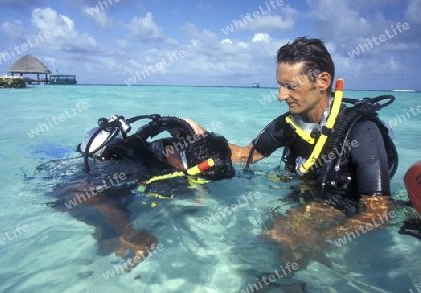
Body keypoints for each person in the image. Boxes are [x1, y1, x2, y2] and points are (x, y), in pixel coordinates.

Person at [185, 36, 399, 264]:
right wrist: (199, 135)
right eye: (280, 85)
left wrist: (319, 237)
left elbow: (378, 213)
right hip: (302, 201)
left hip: (342, 209)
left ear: (323, 81)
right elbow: (244, 155)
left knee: (282, 235)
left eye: (290, 86)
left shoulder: (361, 131)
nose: (280, 96)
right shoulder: (288, 124)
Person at [48, 115, 235, 272]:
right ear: (178, 163)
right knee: (106, 246)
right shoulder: (134, 166)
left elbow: (190, 126)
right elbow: (71, 192)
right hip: (65, 180)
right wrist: (126, 228)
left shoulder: (186, 146)